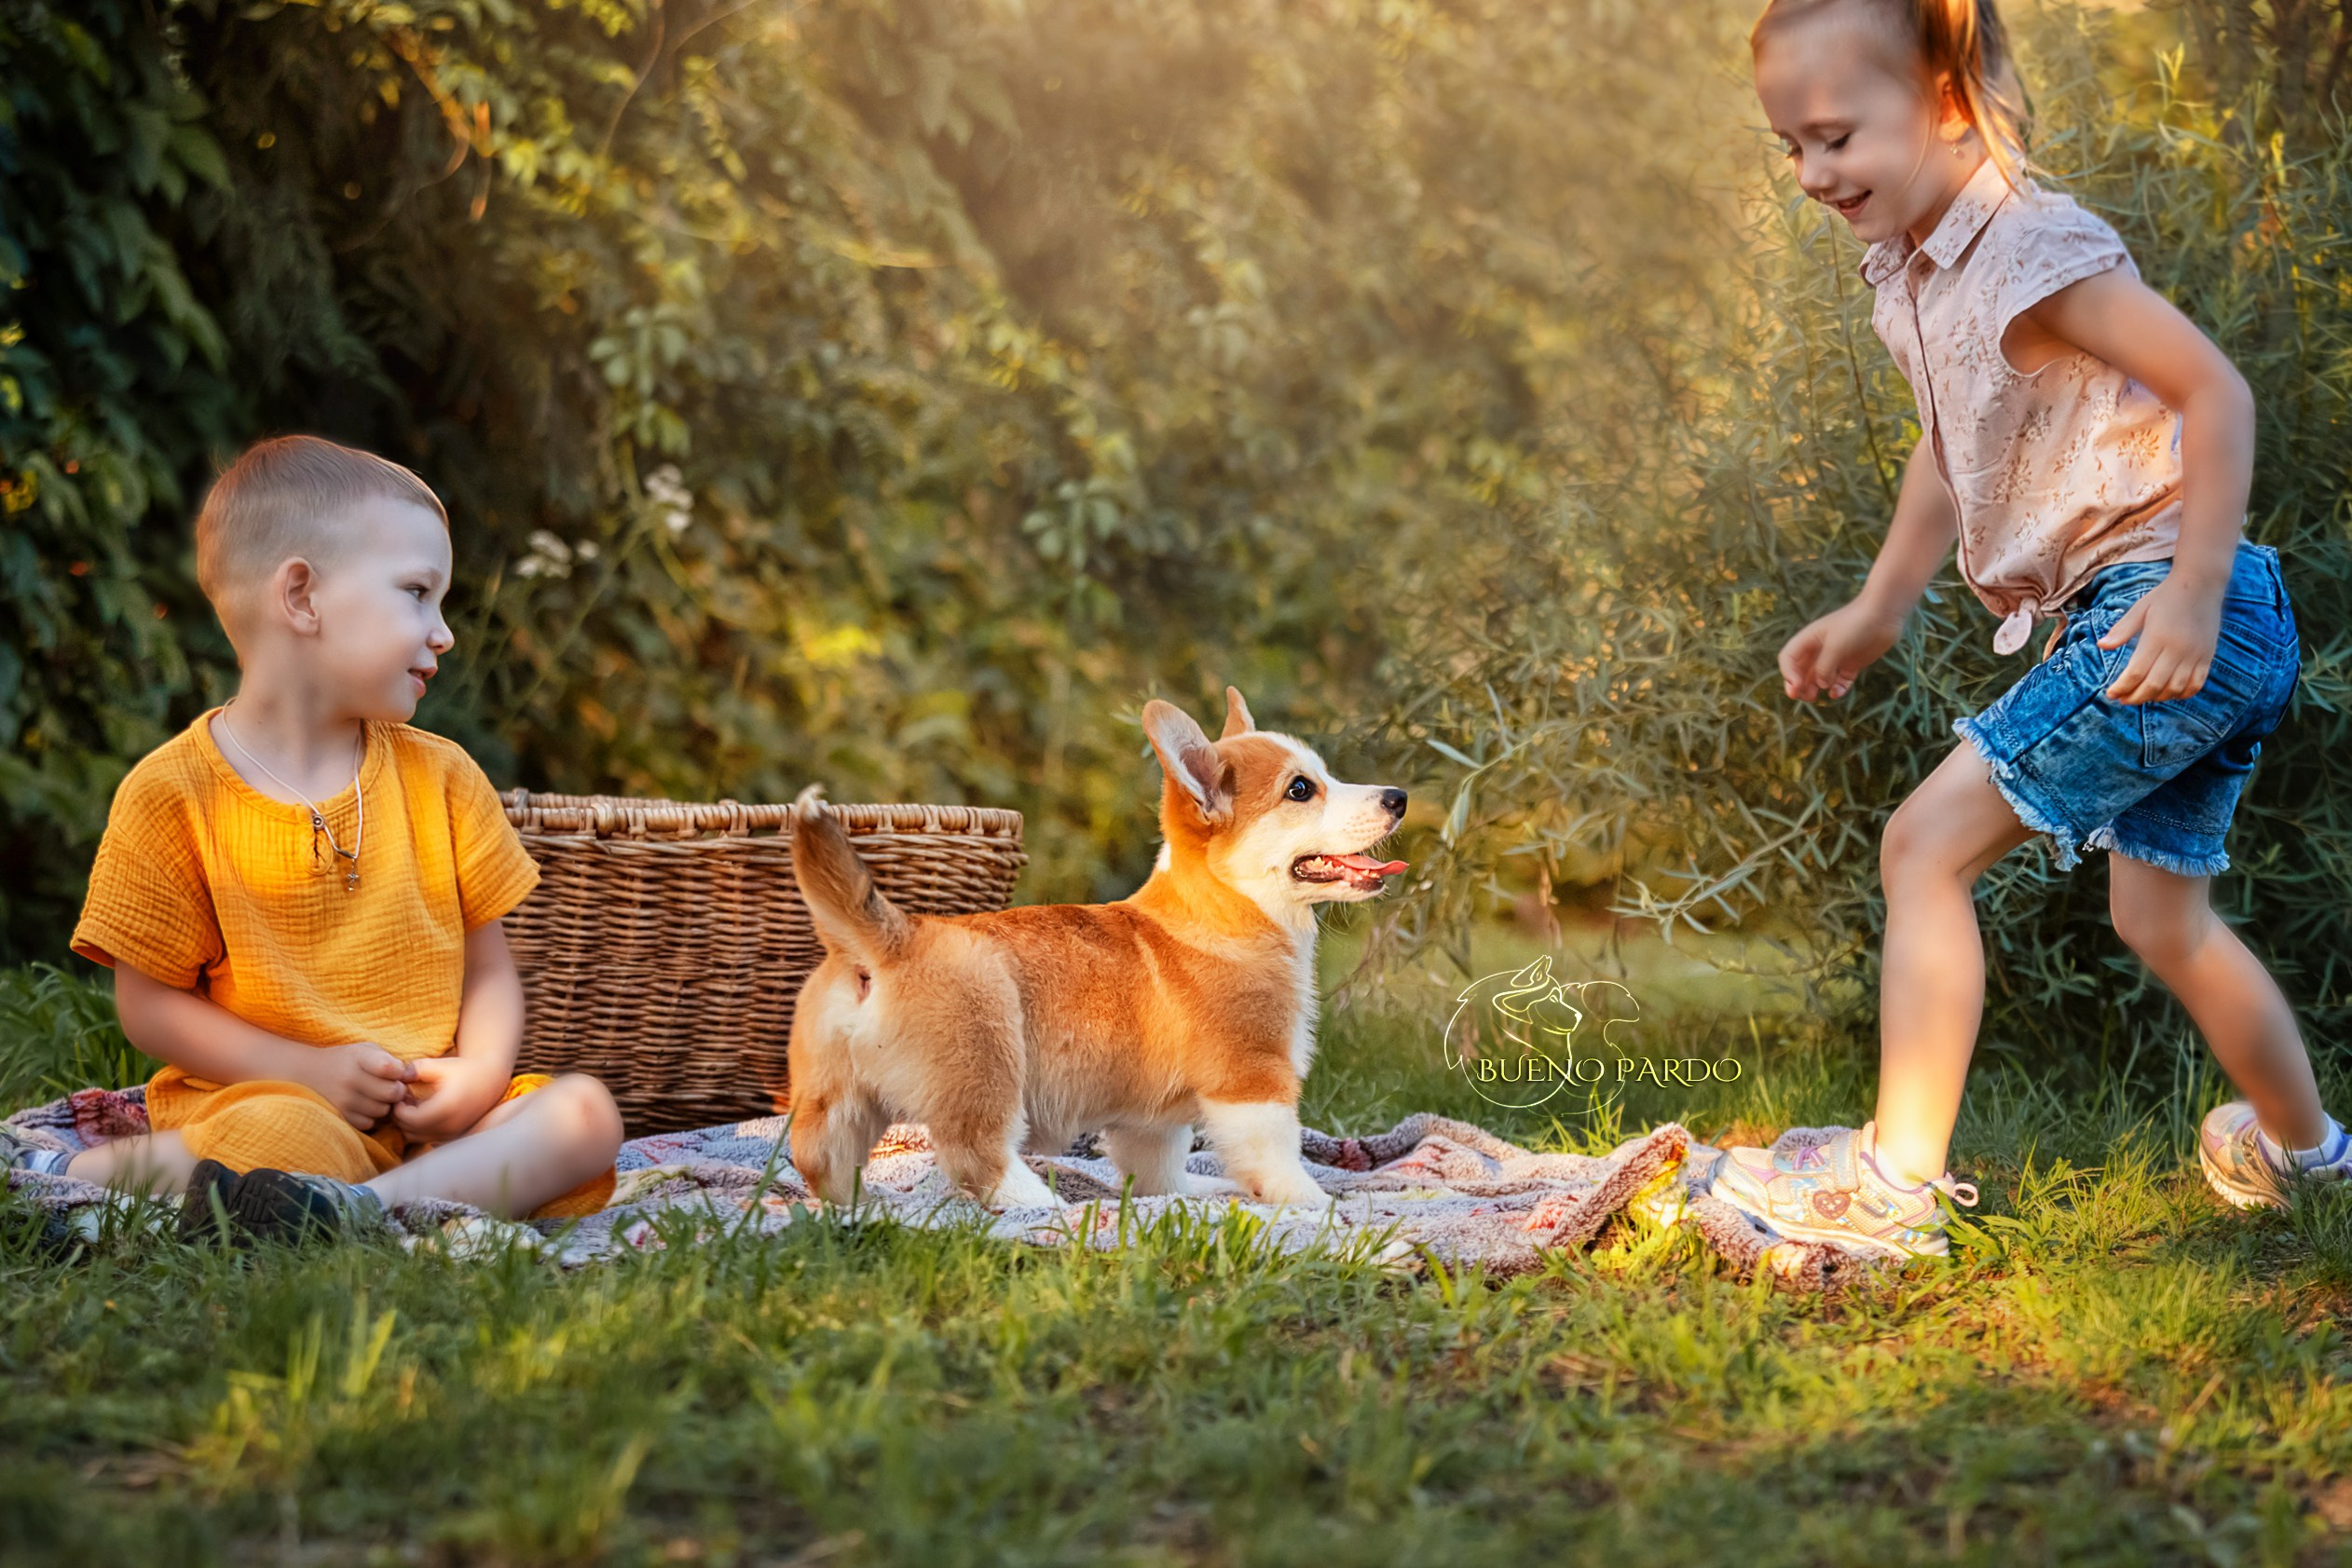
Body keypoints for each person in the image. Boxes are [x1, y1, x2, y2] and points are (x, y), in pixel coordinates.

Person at [1714, 0, 2345, 1259]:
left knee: (1922, 848)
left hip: (2167, 604)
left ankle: (1894, 1187)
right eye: (1789, 146)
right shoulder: (1919, 271)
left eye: (1836, 136)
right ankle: (2313, 1157)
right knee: (2162, 921)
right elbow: (1948, 451)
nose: (1813, 174)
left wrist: (2191, 592)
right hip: (2185, 618)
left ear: (1947, 102)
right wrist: (1877, 606)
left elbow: (2215, 391)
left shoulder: (2032, 249)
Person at [0, 435, 622, 1243]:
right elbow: (148, 1006)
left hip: (427, 1128)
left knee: (585, 1114)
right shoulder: (173, 794)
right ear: (301, 596)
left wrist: (477, 1076)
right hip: (267, 1101)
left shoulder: (443, 777)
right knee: (285, 1138)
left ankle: (357, 1210)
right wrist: (304, 1070)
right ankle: (100, 1178)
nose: (443, 633)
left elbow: (489, 969)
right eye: (418, 593)